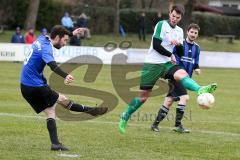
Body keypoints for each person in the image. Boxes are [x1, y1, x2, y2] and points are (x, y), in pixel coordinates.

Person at [118, 4, 217, 134]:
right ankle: (126, 115)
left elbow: (181, 53)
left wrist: (178, 45)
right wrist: (170, 54)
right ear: (170, 13)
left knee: (181, 73)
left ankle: (200, 89)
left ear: (180, 18)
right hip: (152, 64)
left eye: (177, 17)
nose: (174, 19)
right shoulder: (161, 25)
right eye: (173, 16)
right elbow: (156, 45)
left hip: (166, 64)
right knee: (143, 97)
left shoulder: (180, 31)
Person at [20, 25, 108, 151]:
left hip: (25, 86)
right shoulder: (46, 48)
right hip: (35, 86)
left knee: (50, 111)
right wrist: (66, 75)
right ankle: (91, 110)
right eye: (65, 40)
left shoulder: (42, 38)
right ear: (57, 37)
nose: (65, 43)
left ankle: (55, 144)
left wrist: (71, 33)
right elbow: (52, 65)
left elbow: (57, 33)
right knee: (63, 100)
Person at [151, 23, 201, 133]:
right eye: (191, 32)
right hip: (176, 77)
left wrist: (197, 68)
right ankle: (178, 125)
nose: (193, 34)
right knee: (185, 98)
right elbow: (169, 57)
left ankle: (155, 124)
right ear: (187, 32)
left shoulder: (197, 48)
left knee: (168, 101)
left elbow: (196, 62)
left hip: (186, 79)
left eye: (195, 33)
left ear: (197, 35)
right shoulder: (179, 44)